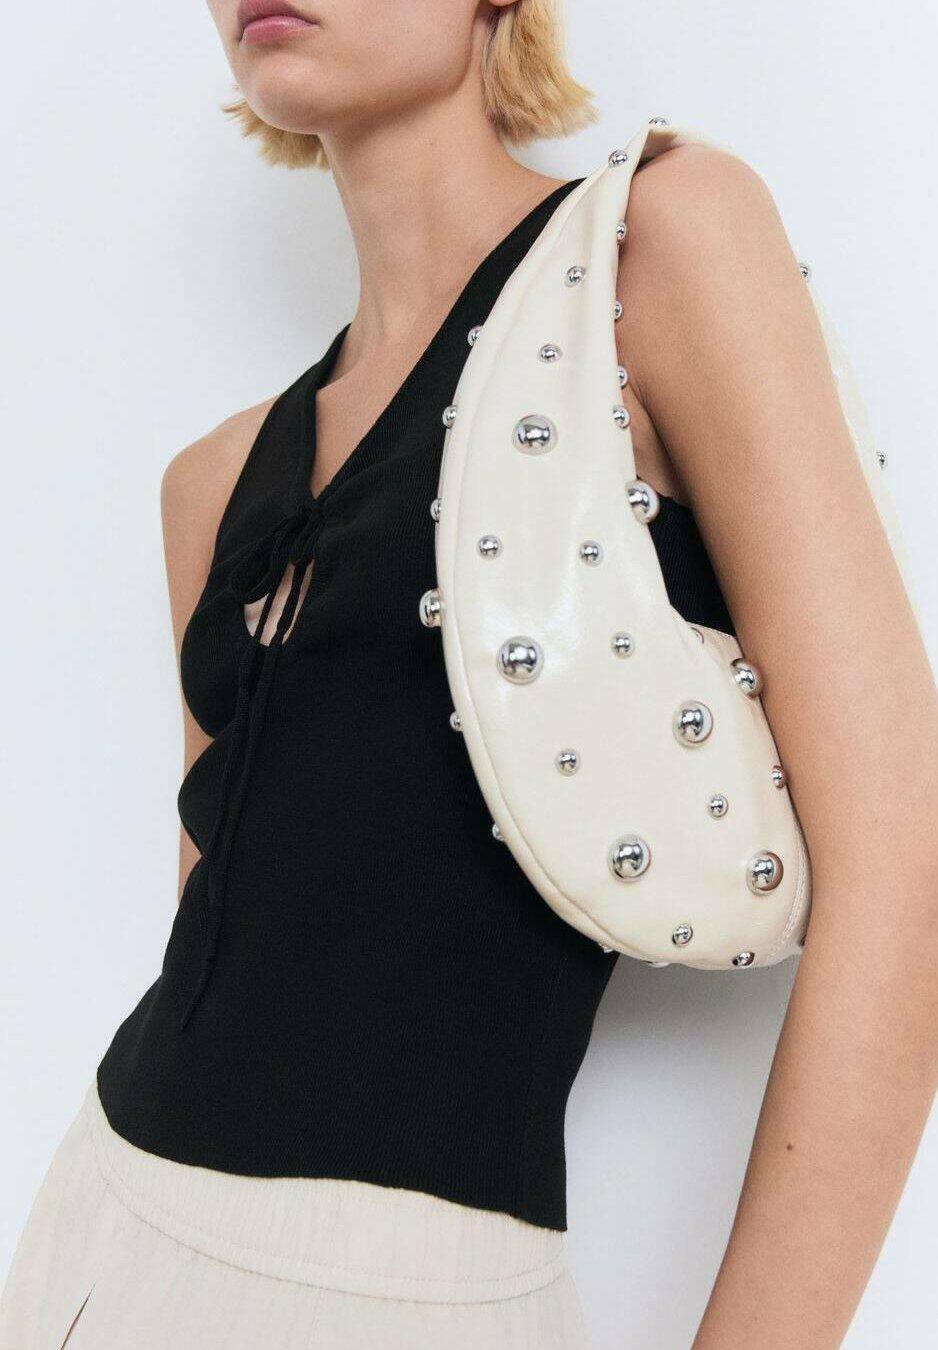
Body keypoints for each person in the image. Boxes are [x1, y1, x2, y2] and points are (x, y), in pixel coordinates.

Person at [2, 1, 936, 1347]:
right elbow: (231, 943)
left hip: (423, 1290)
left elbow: (903, 871)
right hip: (98, 1229)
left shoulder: (655, 244)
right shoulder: (211, 482)